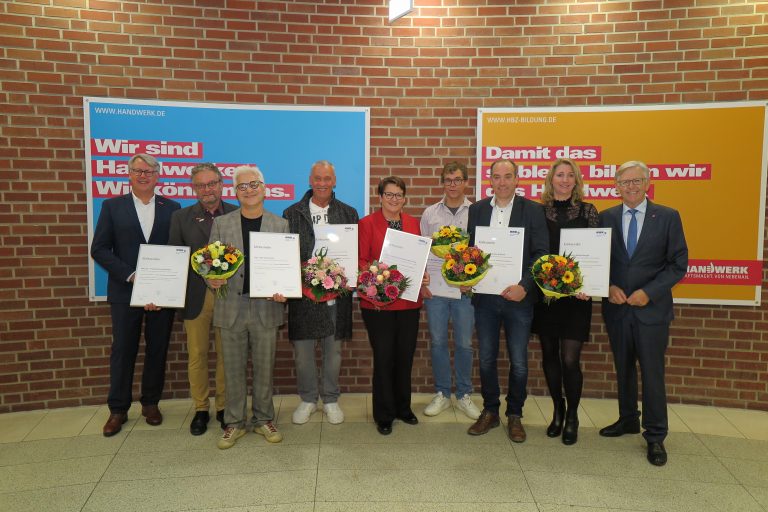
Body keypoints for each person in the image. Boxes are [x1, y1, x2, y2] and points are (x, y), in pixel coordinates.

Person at [598, 160, 688, 467]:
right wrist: (608, 285)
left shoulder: (667, 216)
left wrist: (649, 292)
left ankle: (655, 436)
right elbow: (599, 261)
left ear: (647, 183)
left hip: (651, 311)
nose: (631, 187)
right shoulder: (605, 217)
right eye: (625, 182)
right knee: (623, 368)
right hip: (617, 308)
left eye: (637, 181)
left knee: (652, 373)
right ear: (617, 186)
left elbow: (678, 264)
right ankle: (627, 419)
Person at [91, 153, 180, 437]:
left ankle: (151, 404)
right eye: (138, 170)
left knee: (157, 348)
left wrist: (165, 283)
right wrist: (131, 275)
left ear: (158, 176)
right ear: (129, 174)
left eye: (150, 171)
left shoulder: (172, 208)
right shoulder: (112, 206)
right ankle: (117, 409)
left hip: (162, 293)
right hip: (125, 291)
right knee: (123, 350)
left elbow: (176, 250)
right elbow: (100, 249)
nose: (144, 175)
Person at [465, 158, 548, 443]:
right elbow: (470, 252)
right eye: (496, 177)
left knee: (519, 361)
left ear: (517, 179)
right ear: (490, 180)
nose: (502, 182)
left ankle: (515, 414)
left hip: (518, 300)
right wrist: (468, 277)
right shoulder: (476, 210)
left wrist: (525, 286)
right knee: (487, 358)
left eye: (507, 176)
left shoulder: (534, 211)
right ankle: (490, 410)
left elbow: (541, 254)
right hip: (486, 299)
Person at [208, 165, 288, 449]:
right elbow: (210, 264)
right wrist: (212, 280)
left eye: (254, 184)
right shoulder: (222, 224)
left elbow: (285, 266)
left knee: (265, 368)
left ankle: (264, 418)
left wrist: (285, 291)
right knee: (233, 369)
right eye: (243, 186)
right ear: (235, 192)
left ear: (264, 188)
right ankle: (234, 422)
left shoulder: (280, 225)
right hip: (231, 306)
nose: (249, 190)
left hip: (267, 307)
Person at [282, 160, 359, 425]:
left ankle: (330, 399)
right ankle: (307, 399)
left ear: (334, 181)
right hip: (302, 296)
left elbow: (354, 255)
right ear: (310, 181)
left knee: (333, 351)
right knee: (303, 353)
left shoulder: (349, 213)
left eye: (327, 179)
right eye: (318, 178)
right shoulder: (291, 212)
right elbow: (285, 255)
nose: (323, 183)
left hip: (337, 295)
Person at [531, 158, 598, 445]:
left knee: (570, 359)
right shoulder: (537, 211)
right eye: (560, 174)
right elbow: (531, 250)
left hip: (577, 297)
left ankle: (572, 416)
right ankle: (557, 412)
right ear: (551, 179)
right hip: (546, 297)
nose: (565, 179)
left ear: (576, 180)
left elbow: (597, 251)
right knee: (549, 356)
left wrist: (590, 284)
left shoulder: (588, 211)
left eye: (570, 175)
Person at [169, 163, 237, 436]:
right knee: (197, 355)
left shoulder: (236, 213)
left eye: (212, 184)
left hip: (229, 297)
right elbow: (176, 258)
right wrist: (204, 274)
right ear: (193, 188)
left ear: (221, 185)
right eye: (201, 185)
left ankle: (222, 407)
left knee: (226, 355)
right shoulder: (180, 217)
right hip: (196, 296)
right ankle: (200, 408)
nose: (207, 190)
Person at [358, 176, 429, 436]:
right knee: (385, 357)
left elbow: (419, 258)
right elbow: (362, 261)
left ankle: (403, 408)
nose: (394, 199)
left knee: (405, 357)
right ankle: (384, 413)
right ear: (380, 197)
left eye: (398, 195)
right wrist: (381, 276)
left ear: (404, 198)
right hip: (379, 304)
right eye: (389, 194)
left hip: (409, 302)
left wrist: (423, 274)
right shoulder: (367, 224)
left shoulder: (413, 223)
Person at [420, 161, 481, 420]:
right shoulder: (430, 214)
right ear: (442, 182)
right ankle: (443, 393)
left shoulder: (477, 211)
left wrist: (475, 279)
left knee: (465, 344)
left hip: (465, 290)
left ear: (466, 182)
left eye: (457, 179)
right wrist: (422, 281)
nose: (453, 185)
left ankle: (464, 394)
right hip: (435, 290)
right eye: (448, 180)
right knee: (437, 342)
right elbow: (422, 251)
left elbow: (481, 252)